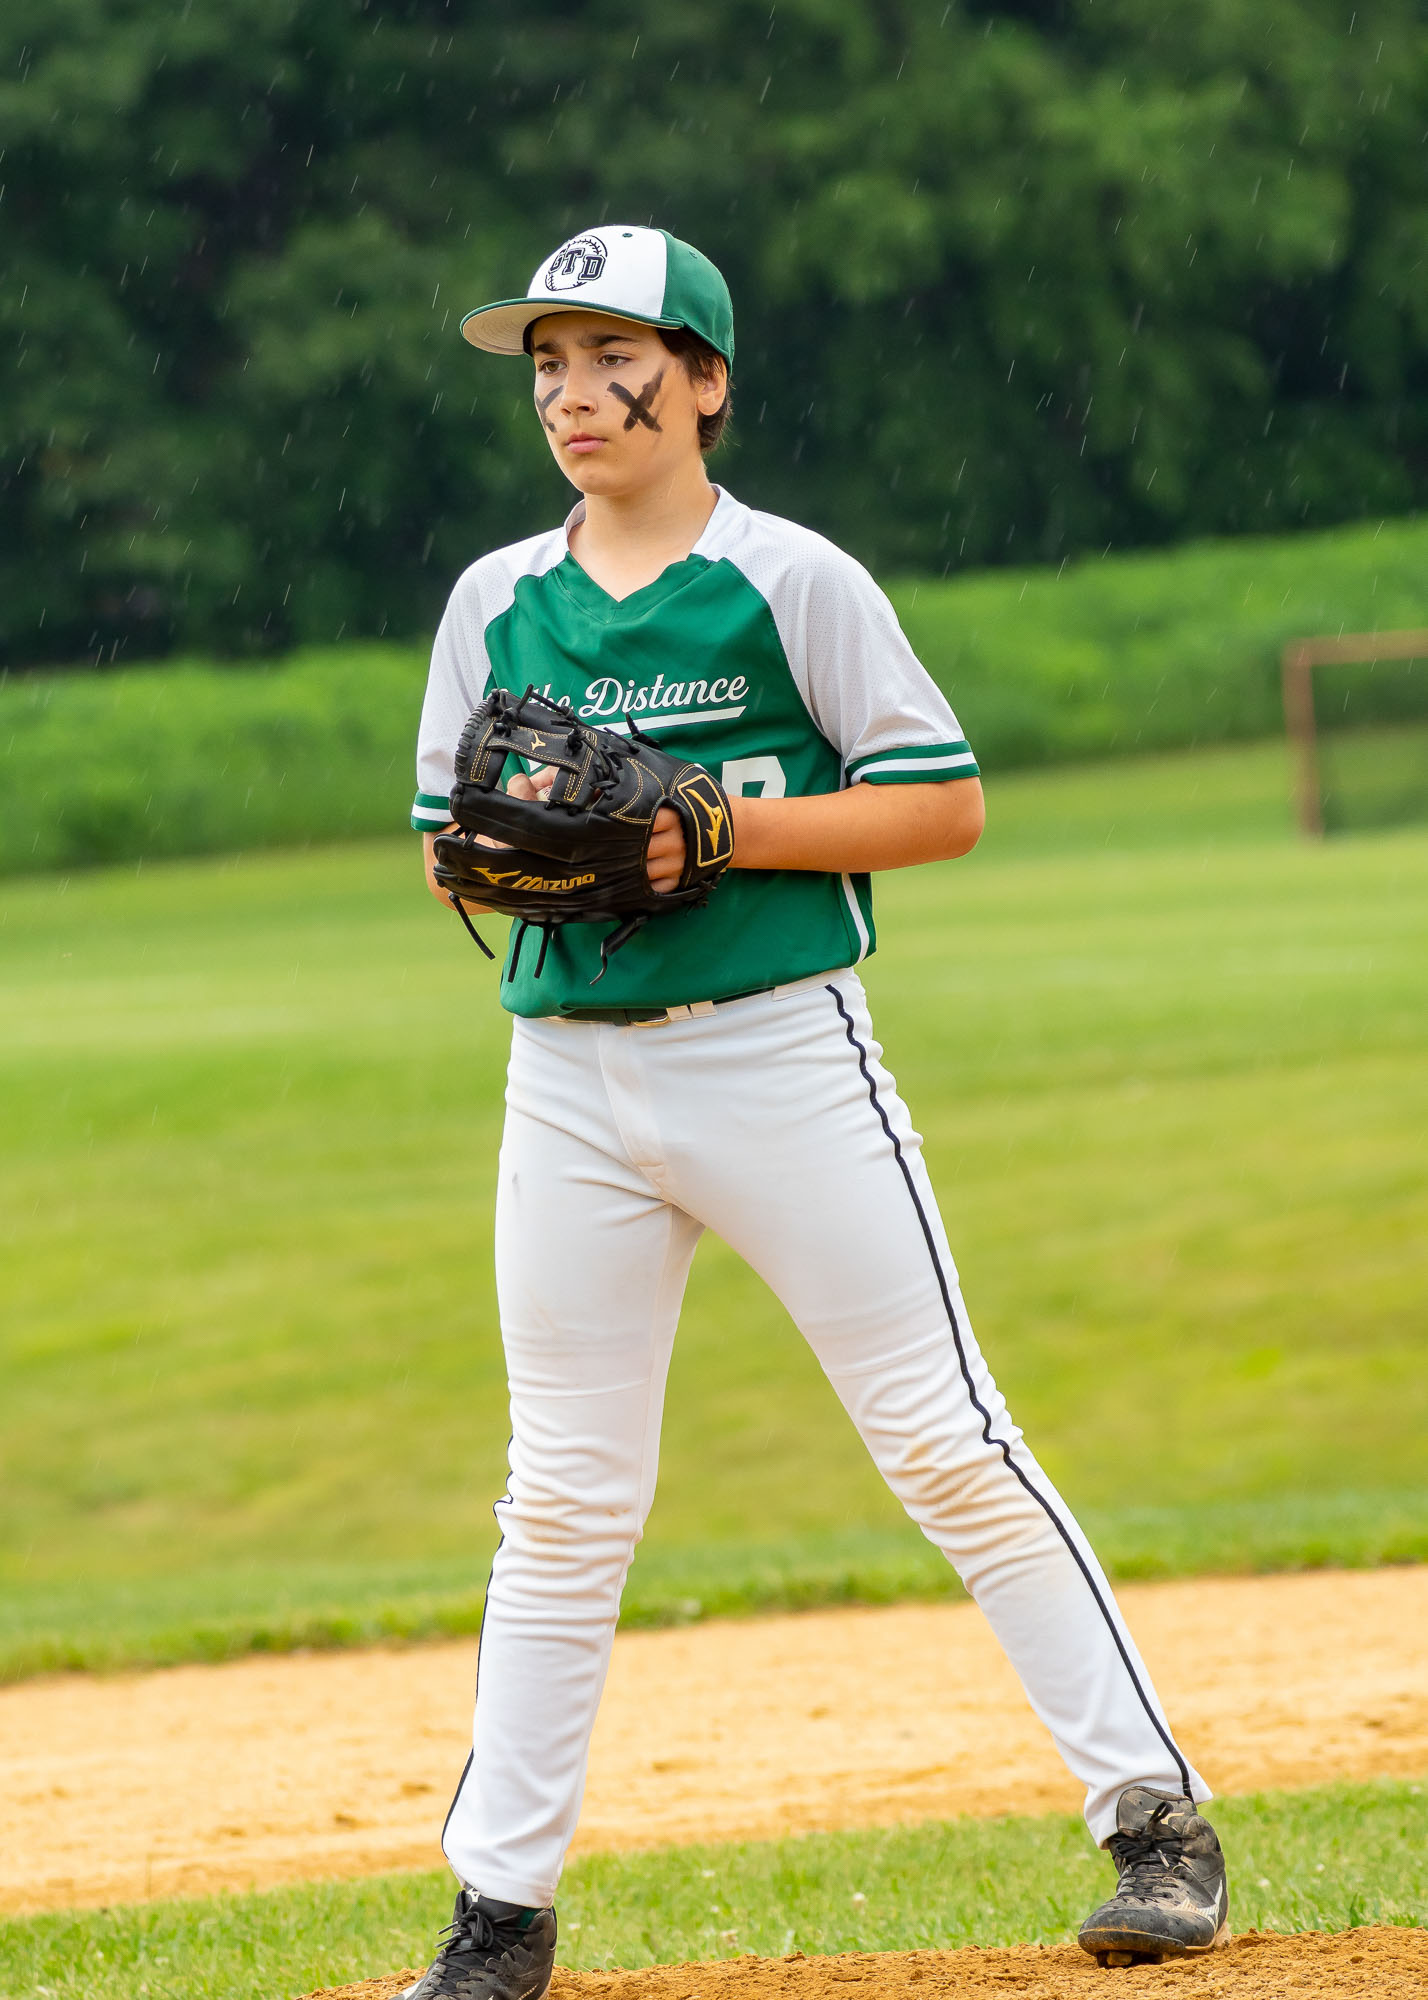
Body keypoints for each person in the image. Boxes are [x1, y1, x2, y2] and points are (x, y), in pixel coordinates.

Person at [400, 226, 1229, 2000]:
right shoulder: (494, 601)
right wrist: (512, 856)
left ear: (704, 380)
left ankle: (1156, 1823)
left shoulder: (791, 579)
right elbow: (444, 844)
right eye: (547, 363)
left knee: (943, 1439)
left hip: (778, 1053)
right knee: (563, 1502)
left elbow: (941, 802)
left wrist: (722, 828)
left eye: (612, 355)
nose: (571, 393)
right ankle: (498, 1916)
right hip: (568, 1080)